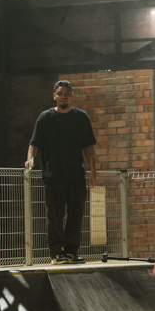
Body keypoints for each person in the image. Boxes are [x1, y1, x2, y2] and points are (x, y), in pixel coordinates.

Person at [26, 80, 98, 264]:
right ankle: (57, 252)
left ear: (72, 96)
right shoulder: (45, 118)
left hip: (76, 175)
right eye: (60, 93)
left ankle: (72, 251)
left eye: (67, 93)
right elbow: (34, 143)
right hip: (53, 176)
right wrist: (30, 159)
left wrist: (93, 172)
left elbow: (89, 147)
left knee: (76, 214)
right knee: (55, 216)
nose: (64, 96)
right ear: (54, 96)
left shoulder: (81, 118)